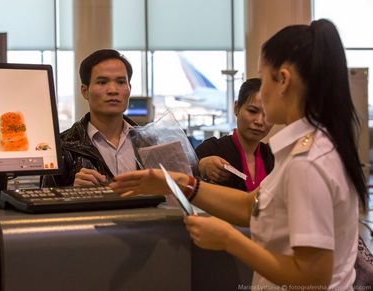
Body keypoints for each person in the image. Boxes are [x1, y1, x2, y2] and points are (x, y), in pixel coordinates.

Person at [110, 19, 369, 290]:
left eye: (263, 76)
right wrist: (179, 183)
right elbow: (252, 206)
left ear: (283, 79)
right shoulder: (309, 148)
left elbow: (312, 277)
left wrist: (229, 240)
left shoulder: (308, 162)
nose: (262, 94)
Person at [42, 49, 138, 187]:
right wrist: (73, 193)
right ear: (85, 91)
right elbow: (45, 202)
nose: (113, 90)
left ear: (130, 88)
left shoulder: (148, 142)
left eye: (121, 82)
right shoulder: (62, 147)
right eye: (102, 82)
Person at [195, 78, 274, 191]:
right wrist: (200, 166)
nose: (259, 121)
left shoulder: (272, 157)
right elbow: (178, 179)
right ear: (237, 108)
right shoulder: (212, 150)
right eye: (252, 111)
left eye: (268, 115)